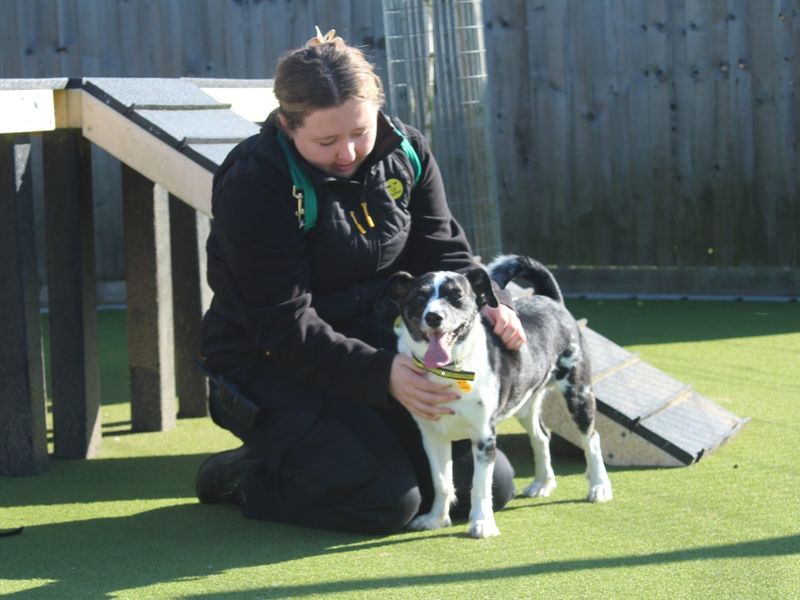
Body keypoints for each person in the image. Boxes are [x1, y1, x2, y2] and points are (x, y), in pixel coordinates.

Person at [196, 28, 527, 534]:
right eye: (326, 141)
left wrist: (491, 302)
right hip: (267, 364)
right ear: (288, 125)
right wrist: (382, 376)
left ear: (376, 108)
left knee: (491, 485)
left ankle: (357, 442)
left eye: (360, 131)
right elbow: (282, 324)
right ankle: (241, 476)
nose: (348, 152)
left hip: (375, 346)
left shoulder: (407, 151)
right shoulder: (254, 183)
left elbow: (444, 252)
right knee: (383, 502)